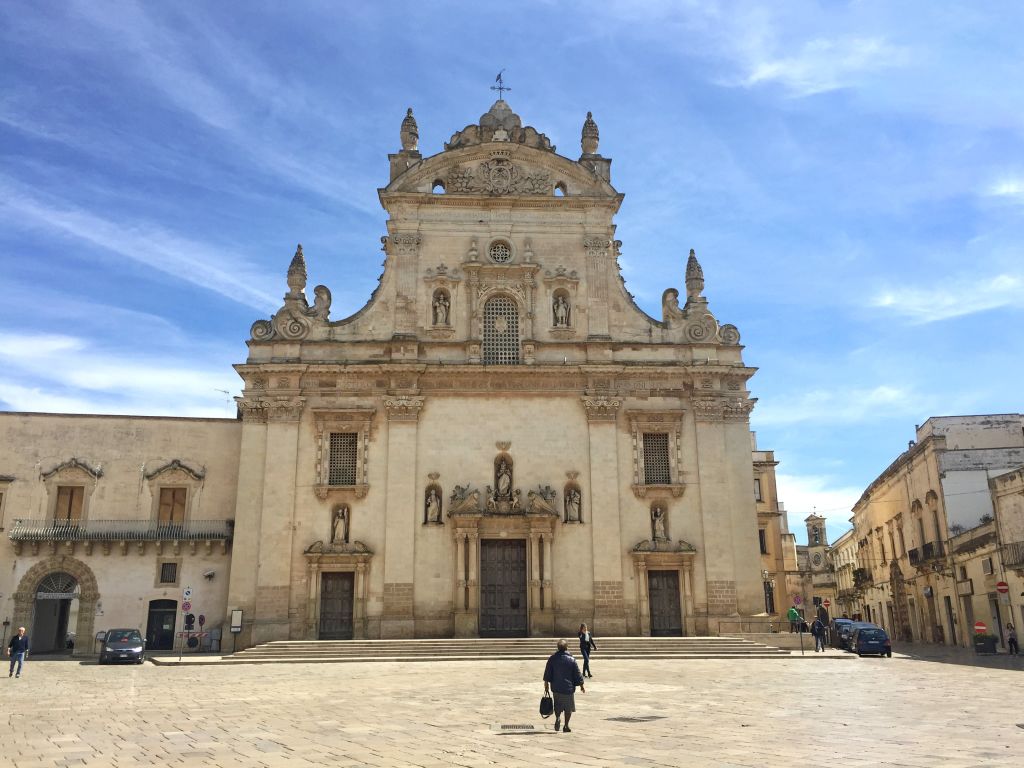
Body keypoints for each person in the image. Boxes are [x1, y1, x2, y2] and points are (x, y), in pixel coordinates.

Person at [543, 638, 585, 733]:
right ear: (567, 648)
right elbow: (577, 674)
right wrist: (581, 685)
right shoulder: (572, 660)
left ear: (558, 648)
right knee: (568, 708)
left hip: (556, 687)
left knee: (557, 705)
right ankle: (566, 725)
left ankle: (558, 717)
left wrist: (546, 684)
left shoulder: (552, 659)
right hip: (568, 688)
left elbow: (548, 672)